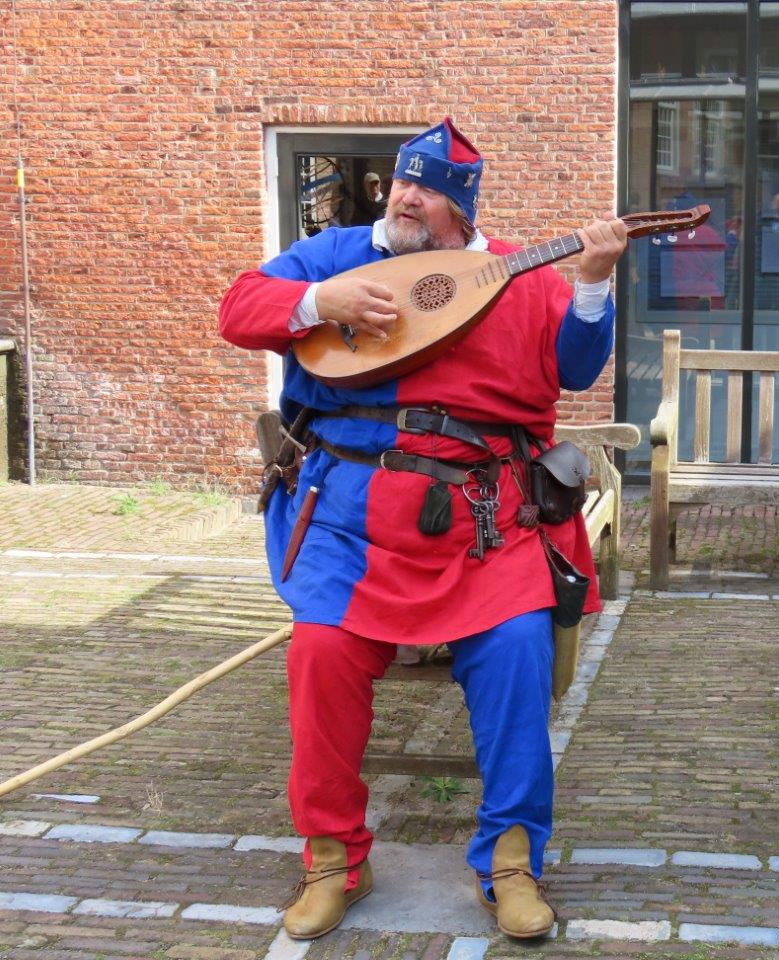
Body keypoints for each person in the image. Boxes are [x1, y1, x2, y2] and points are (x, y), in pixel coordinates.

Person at [219, 117, 627, 941]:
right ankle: (334, 857)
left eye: (430, 188)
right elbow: (239, 308)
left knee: (516, 652)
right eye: (404, 181)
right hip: (350, 524)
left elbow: (578, 367)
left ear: (462, 211)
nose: (407, 196)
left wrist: (591, 283)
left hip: (484, 525)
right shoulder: (333, 254)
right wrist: (314, 301)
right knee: (321, 653)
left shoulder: (512, 274)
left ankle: (511, 859)